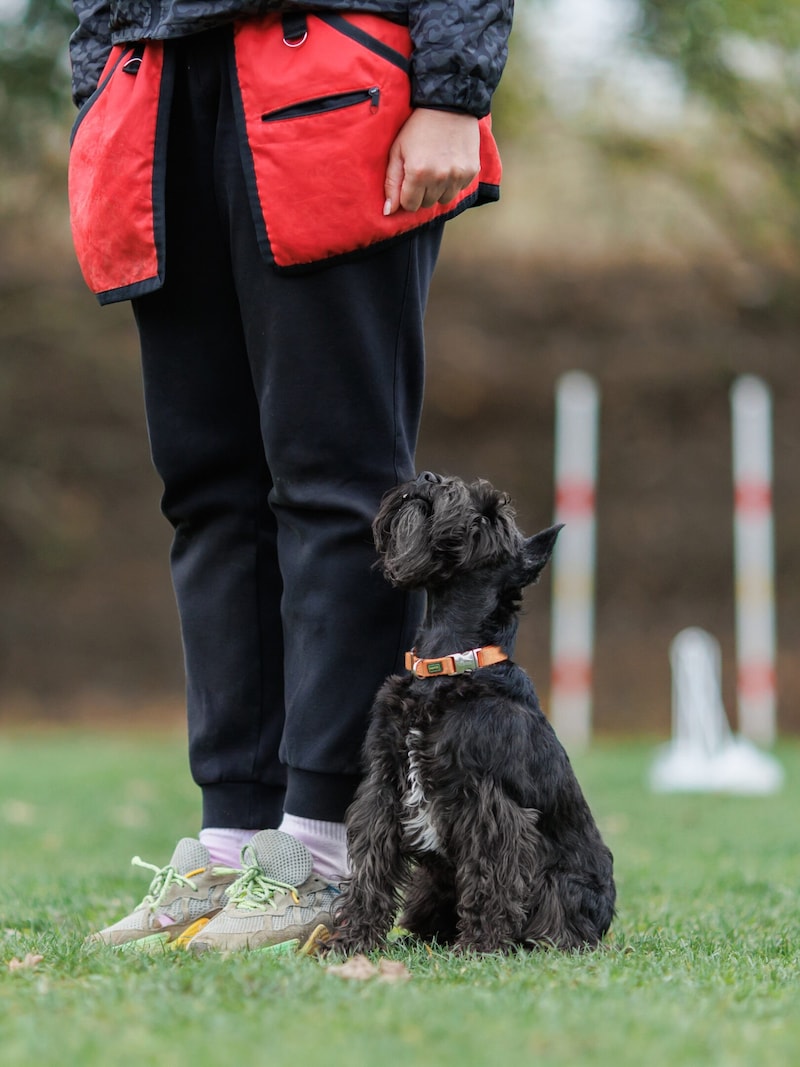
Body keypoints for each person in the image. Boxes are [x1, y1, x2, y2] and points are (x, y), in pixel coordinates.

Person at [68, 0, 513, 954]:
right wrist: (96, 79)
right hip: (158, 92)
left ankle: (325, 848)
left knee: (337, 490)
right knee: (207, 496)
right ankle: (234, 841)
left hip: (334, 68)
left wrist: (452, 93)